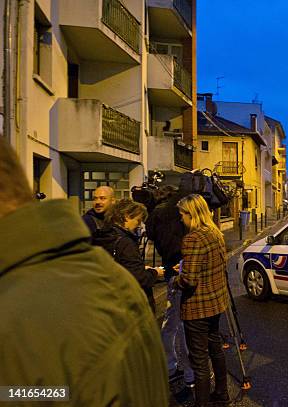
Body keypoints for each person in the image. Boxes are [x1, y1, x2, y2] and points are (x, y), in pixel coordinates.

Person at [0, 140, 168, 405]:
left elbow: (50, 391)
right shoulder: (112, 278)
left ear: (114, 203)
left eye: (103, 198)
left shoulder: (22, 309)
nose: (98, 201)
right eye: (95, 197)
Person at [174, 194, 230, 406]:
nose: (180, 219)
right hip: (216, 303)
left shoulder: (192, 238)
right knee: (215, 350)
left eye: (182, 214)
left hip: (198, 308)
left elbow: (189, 281)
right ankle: (222, 394)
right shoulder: (214, 232)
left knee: (199, 361)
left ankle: (203, 403)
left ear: (191, 214)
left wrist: (173, 280)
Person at [147, 186, 195, 386]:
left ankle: (170, 366)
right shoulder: (178, 210)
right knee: (185, 324)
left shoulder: (156, 214)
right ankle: (191, 373)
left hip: (170, 268)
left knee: (171, 323)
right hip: (185, 265)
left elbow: (150, 234)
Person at [93, 199, 163, 312]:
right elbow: (140, 279)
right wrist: (155, 272)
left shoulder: (102, 236)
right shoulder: (125, 242)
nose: (139, 225)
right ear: (126, 216)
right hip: (130, 305)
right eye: (138, 220)